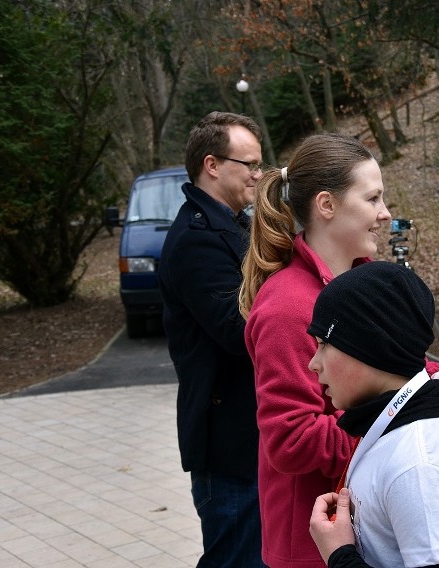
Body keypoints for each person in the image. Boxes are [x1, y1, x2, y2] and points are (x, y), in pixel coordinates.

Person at [238, 132, 439, 568]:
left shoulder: (359, 286)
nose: (385, 214)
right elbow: (291, 441)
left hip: (364, 530)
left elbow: (384, 371)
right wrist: (415, 407)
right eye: (373, 199)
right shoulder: (287, 307)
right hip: (314, 547)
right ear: (327, 205)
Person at [307, 261, 439, 568]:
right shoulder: (399, 431)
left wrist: (340, 556)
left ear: (370, 346)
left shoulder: (417, 466)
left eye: (323, 344)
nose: (313, 363)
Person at [158, 111, 264, 567]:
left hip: (251, 434)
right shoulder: (195, 240)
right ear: (213, 165)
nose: (259, 175)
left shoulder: (237, 225)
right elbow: (240, 331)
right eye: (250, 164)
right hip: (230, 444)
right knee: (236, 558)